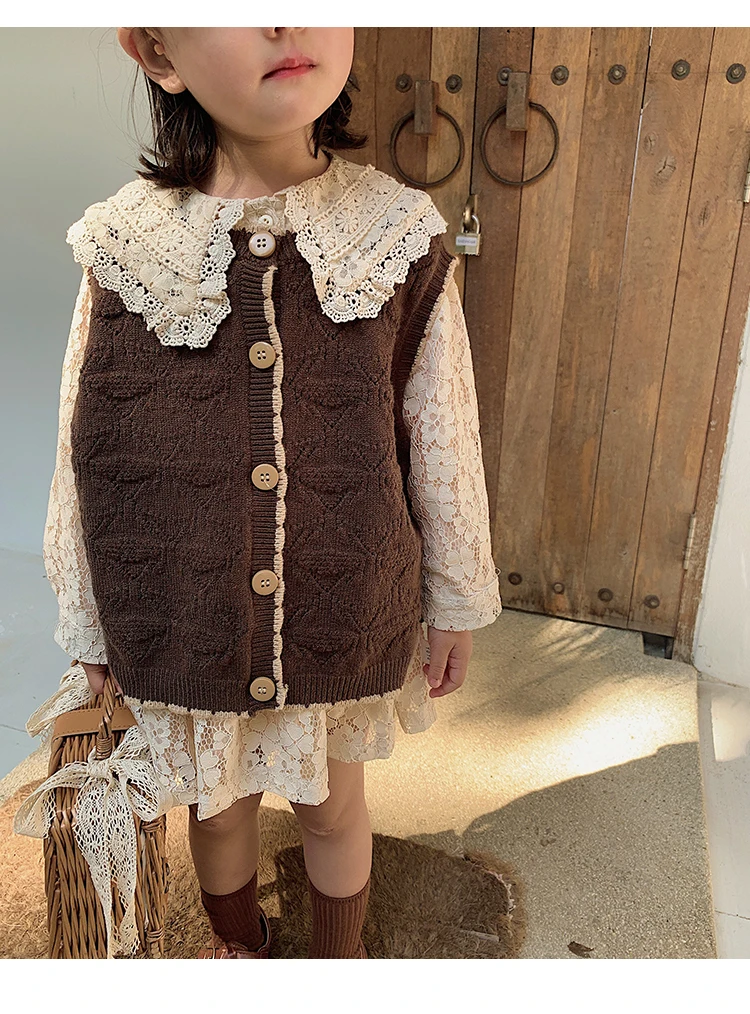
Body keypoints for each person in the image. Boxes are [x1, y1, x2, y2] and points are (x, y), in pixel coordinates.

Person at [32, 27, 502, 959]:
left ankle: (334, 959)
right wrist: (88, 624)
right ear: (158, 52)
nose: (285, 20)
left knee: (334, 805)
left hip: (338, 605)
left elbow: (444, 435)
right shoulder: (124, 246)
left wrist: (455, 600)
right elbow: (82, 452)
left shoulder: (396, 235)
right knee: (217, 810)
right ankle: (239, 945)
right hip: (189, 611)